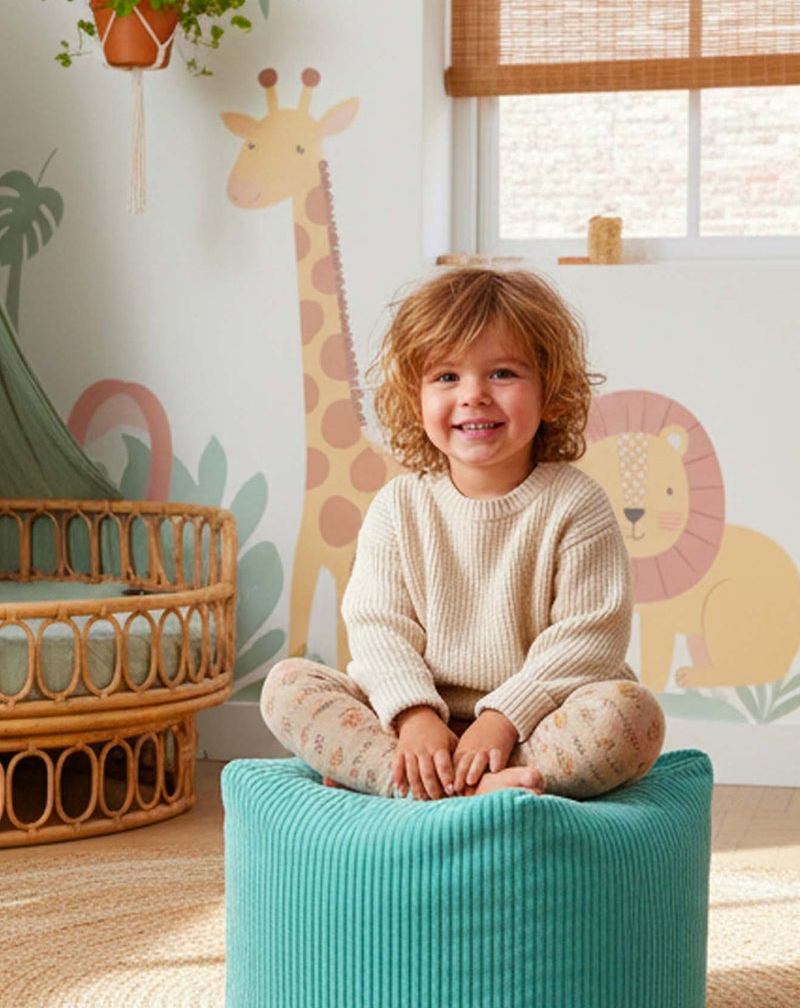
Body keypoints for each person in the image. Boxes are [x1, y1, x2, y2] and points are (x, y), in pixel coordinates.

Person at [261, 265, 665, 800]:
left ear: (551, 391)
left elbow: (589, 638)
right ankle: (440, 781)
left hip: (533, 723)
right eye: (447, 377)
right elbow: (378, 628)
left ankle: (442, 783)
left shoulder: (577, 504)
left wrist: (501, 719)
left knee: (631, 716)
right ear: (416, 397)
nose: (473, 395)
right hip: (416, 724)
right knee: (287, 687)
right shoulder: (398, 508)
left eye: (502, 373)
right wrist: (415, 717)